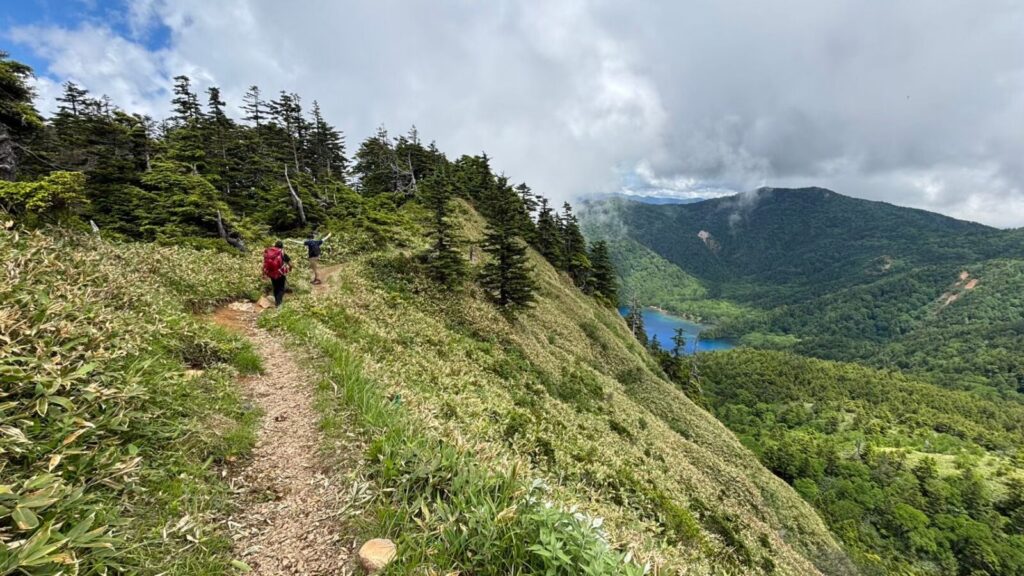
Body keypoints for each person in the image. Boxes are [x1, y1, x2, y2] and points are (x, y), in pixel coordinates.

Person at [262, 241, 292, 307]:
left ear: (275, 246)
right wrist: (290, 269)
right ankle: (279, 303)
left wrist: (263, 273)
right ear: (282, 247)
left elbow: (264, 263)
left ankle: (276, 301)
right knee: (281, 288)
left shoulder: (269, 252)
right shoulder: (282, 253)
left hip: (271, 273)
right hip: (280, 273)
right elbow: (290, 264)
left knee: (275, 287)